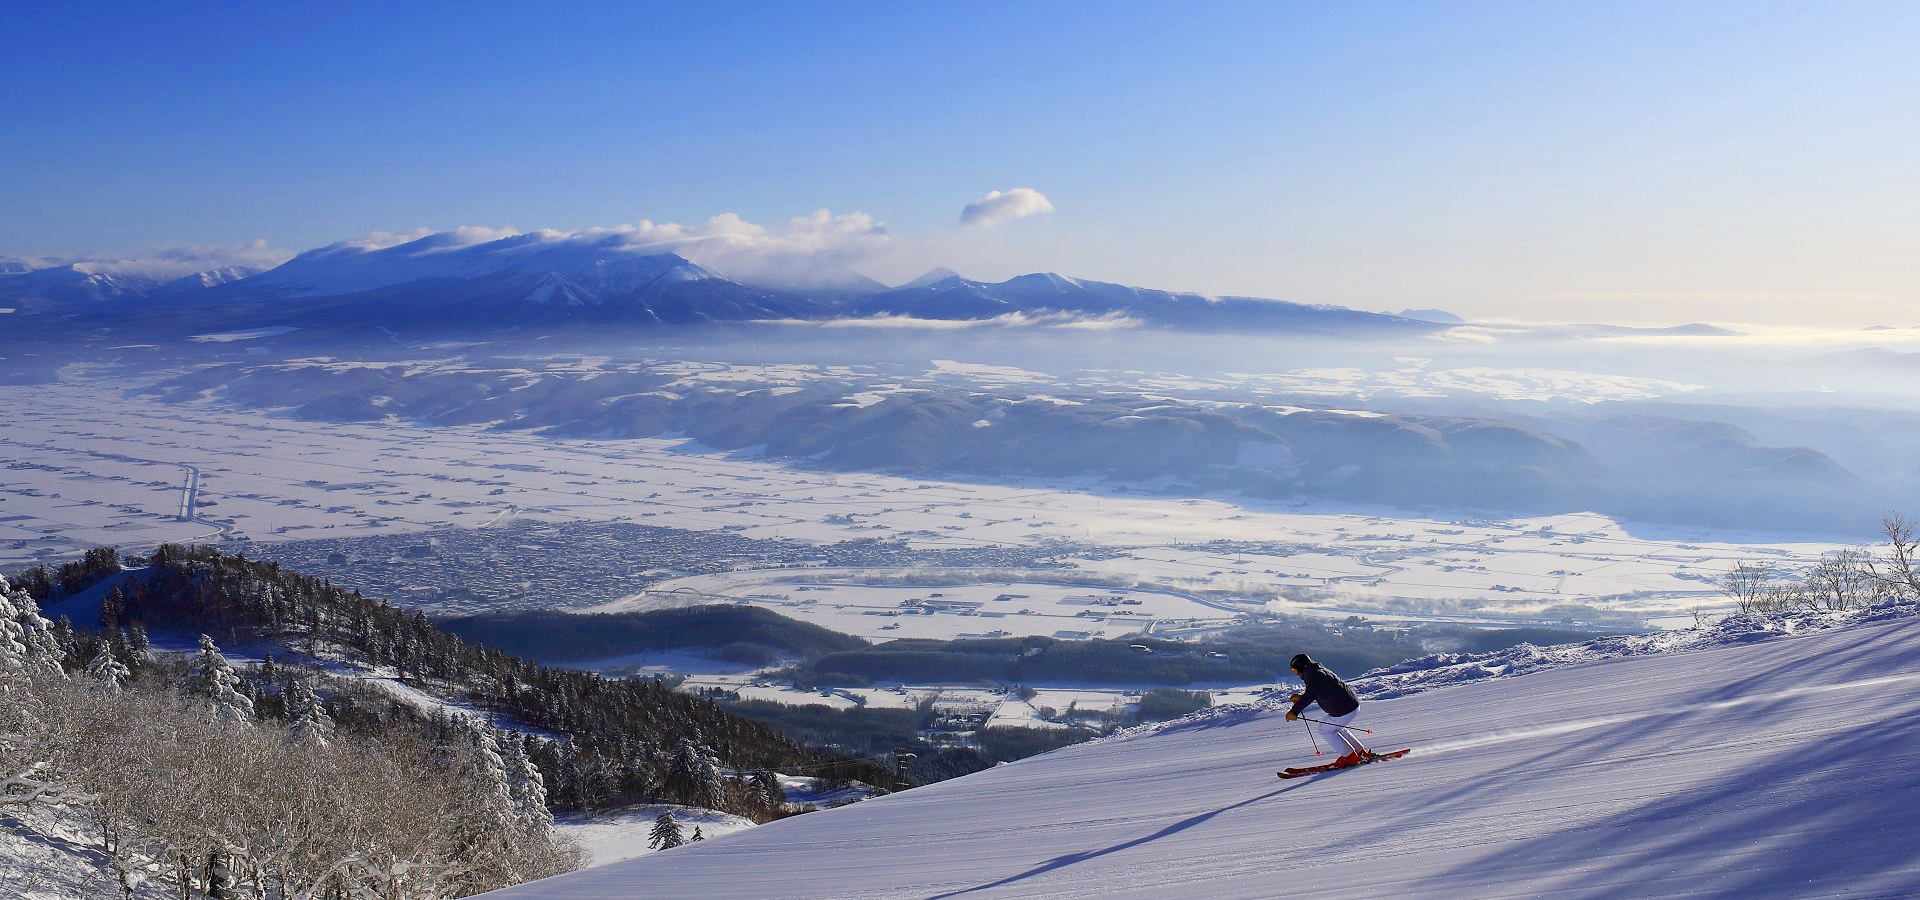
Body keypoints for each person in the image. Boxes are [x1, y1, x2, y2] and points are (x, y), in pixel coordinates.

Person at [1285, 653, 1370, 767]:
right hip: (1352, 705)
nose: (1296, 673)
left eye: (1295, 670)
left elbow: (1311, 694)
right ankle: (1360, 752)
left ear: (1301, 667)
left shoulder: (1312, 675)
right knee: (1337, 728)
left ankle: (1350, 757)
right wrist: (1301, 699)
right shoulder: (1317, 670)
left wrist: (1294, 711)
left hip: (1343, 709)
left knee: (1324, 730)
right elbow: (1319, 691)